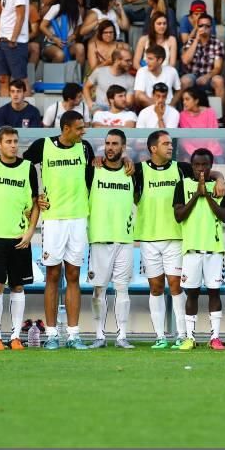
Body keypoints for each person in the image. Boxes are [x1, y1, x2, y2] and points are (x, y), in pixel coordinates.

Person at [19, 111, 95, 349]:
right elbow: (22, 167)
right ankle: (51, 334)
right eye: (79, 128)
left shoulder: (85, 148)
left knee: (73, 275)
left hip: (78, 218)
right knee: (52, 275)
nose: (83, 132)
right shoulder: (43, 145)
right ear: (65, 129)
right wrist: (34, 197)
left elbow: (91, 178)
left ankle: (73, 334)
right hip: (53, 219)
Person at [133, 130, 211, 348]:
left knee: (176, 286)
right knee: (155, 287)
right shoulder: (138, 170)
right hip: (148, 238)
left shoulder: (182, 168)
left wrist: (221, 179)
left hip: (176, 238)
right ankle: (160, 336)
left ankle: (182, 334)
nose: (170, 147)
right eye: (165, 143)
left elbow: (209, 173)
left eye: (170, 143)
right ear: (153, 148)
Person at [0, 127, 39, 350]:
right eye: (8, 141)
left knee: (18, 286)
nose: (13, 145)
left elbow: (35, 202)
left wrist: (31, 230)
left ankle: (14, 336)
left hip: (20, 237)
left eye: (15, 141)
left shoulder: (28, 168)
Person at [172, 148, 225, 350]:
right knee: (192, 294)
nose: (201, 169)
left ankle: (215, 337)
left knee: (215, 293)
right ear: (192, 166)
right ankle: (190, 338)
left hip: (214, 250)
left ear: (211, 166)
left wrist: (208, 196)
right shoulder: (183, 185)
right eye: (197, 165)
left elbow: (224, 216)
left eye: (205, 164)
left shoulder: (220, 187)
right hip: (191, 250)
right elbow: (179, 216)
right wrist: (197, 194)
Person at [86, 129, 136, 349]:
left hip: (124, 239)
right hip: (99, 238)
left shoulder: (132, 172)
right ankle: (99, 335)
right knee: (99, 289)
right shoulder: (92, 170)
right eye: (107, 143)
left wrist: (219, 177)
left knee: (122, 288)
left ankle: (122, 335)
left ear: (123, 147)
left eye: (115, 143)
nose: (110, 147)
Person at [40, 0, 84, 65]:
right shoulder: (56, 8)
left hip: (68, 44)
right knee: (60, 55)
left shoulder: (76, 9)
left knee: (80, 48)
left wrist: (73, 36)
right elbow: (42, 26)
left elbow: (78, 27)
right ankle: (54, 76)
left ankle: (77, 76)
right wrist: (55, 39)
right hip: (51, 44)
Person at [84, 47, 135, 111]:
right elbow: (86, 87)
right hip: (99, 109)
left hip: (120, 111)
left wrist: (114, 102)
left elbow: (129, 103)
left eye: (131, 60)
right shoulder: (99, 72)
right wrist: (90, 103)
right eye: (127, 61)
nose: (131, 63)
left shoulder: (131, 79)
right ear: (117, 60)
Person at [178, 87, 221, 158]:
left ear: (196, 101)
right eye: (183, 100)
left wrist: (208, 153)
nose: (184, 102)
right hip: (191, 153)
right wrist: (196, 154)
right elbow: (185, 140)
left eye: (187, 99)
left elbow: (213, 136)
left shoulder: (210, 112)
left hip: (213, 152)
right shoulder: (182, 115)